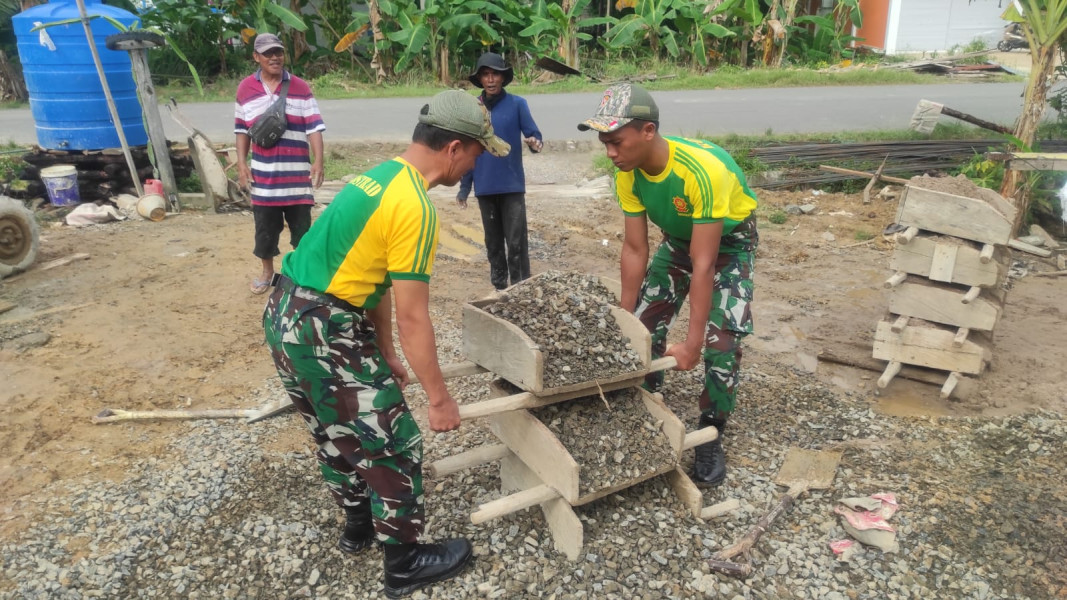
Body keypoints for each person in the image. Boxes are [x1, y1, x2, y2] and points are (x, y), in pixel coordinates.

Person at [262, 90, 509, 599]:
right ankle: (406, 563)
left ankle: (357, 527)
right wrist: (438, 399)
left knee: (334, 429)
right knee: (396, 442)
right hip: (326, 327)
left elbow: (371, 279)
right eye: (479, 152)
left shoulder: (378, 176)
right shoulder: (415, 205)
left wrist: (386, 352)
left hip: (287, 313)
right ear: (455, 148)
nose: (477, 163)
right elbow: (416, 316)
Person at [577, 83, 758, 487]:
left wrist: (693, 344)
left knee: (722, 342)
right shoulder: (627, 172)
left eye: (616, 141)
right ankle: (645, 401)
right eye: (604, 142)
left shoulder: (701, 170)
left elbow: (705, 263)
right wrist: (625, 317)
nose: (610, 152)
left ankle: (711, 431)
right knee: (643, 325)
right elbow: (635, 248)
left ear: (648, 131)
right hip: (677, 241)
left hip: (727, 244)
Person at [234, 32, 325, 295]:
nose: (274, 57)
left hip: (297, 180)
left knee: (303, 233)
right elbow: (241, 130)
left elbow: (314, 127)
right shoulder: (245, 89)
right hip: (264, 180)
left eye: (278, 52)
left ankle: (303, 273)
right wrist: (242, 164)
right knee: (264, 231)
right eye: (268, 53)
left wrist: (318, 161)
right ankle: (267, 272)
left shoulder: (301, 87)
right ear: (256, 57)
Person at [457, 52, 543, 291]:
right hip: (485, 187)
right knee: (493, 243)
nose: (491, 79)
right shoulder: (473, 108)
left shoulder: (518, 104)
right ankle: (499, 288)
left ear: (503, 78)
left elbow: (534, 134)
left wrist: (535, 143)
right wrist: (465, 188)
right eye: (485, 74)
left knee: (516, 242)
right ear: (480, 79)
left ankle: (520, 287)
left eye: (495, 74)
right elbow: (468, 149)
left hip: (512, 186)